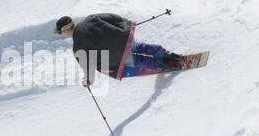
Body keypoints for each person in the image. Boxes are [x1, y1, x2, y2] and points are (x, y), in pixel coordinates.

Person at [53, 14, 183, 87]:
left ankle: (165, 64)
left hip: (118, 57)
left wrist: (88, 80)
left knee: (138, 60)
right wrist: (126, 24)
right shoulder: (90, 18)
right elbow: (112, 17)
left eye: (60, 33)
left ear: (65, 30)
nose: (61, 34)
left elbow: (88, 67)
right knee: (141, 47)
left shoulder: (77, 46)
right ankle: (169, 56)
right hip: (125, 38)